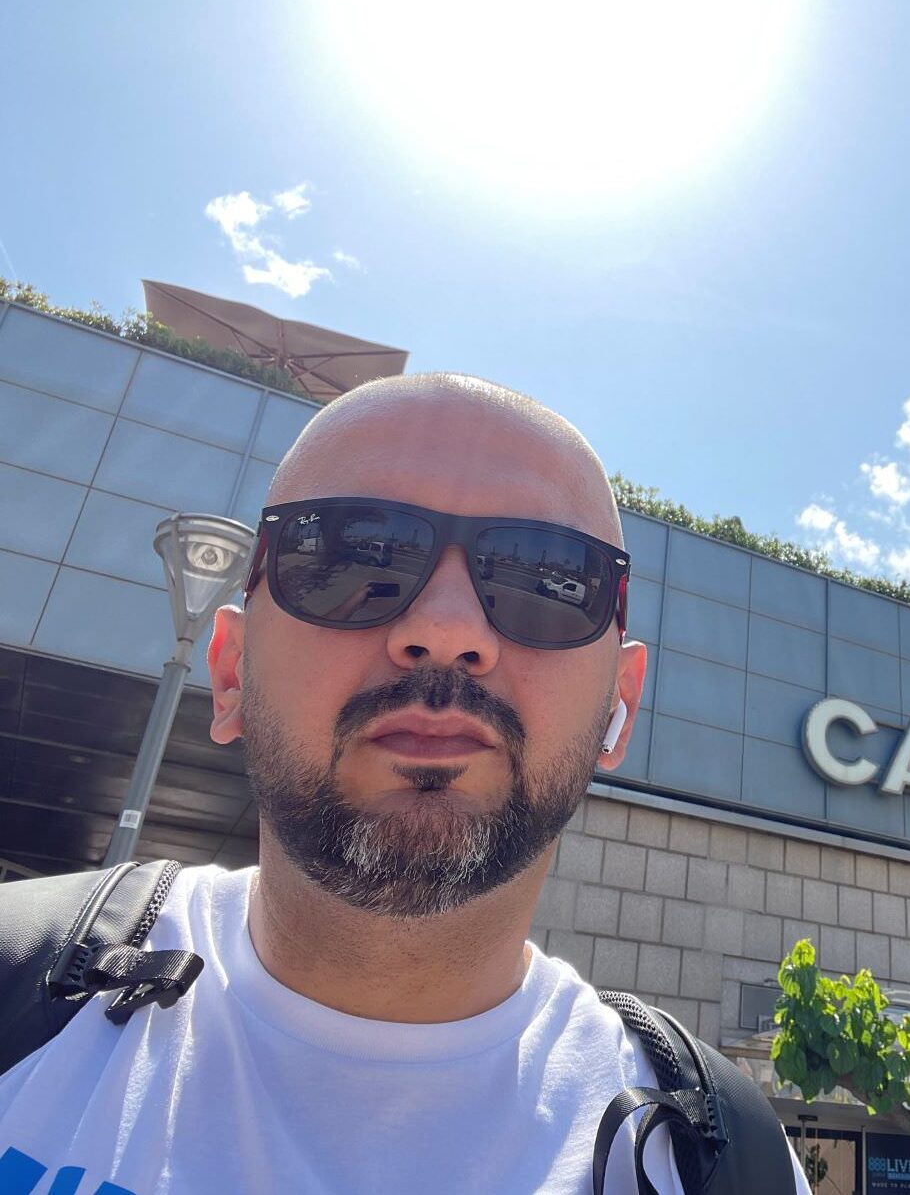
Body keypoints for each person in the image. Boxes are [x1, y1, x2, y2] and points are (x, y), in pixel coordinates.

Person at [0, 374, 812, 1194]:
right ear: (232, 671)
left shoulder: (725, 1160)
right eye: (353, 554)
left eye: (547, 578)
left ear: (619, 705)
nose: (446, 629)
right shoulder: (16, 974)